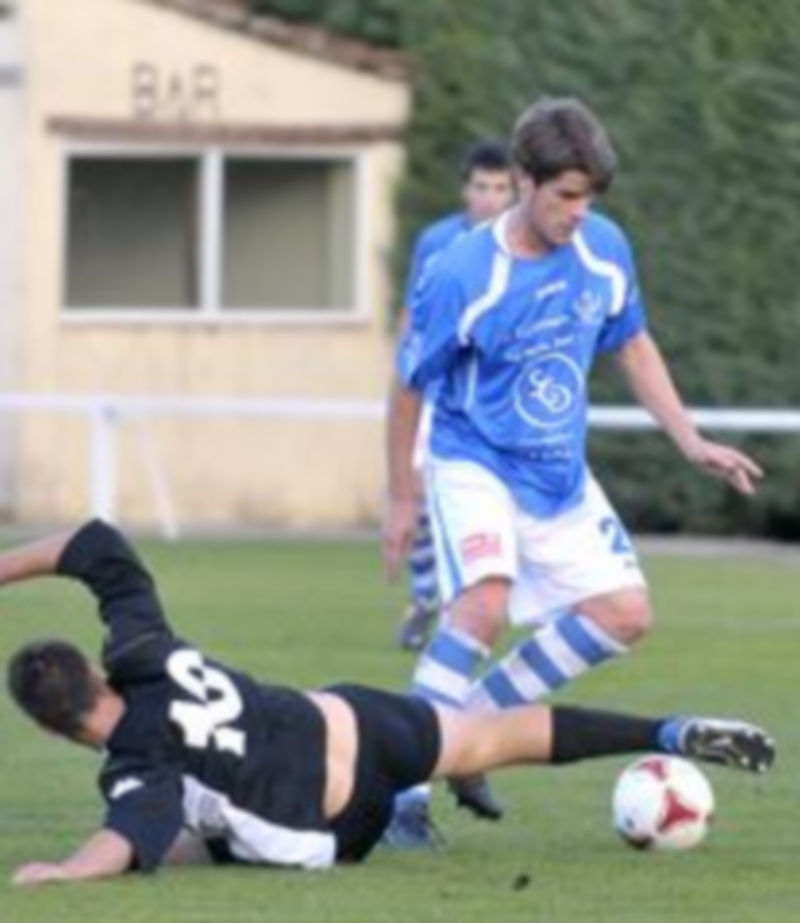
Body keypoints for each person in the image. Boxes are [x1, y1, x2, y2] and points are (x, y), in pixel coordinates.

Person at [383, 96, 764, 841]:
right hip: (475, 459)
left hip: (557, 470)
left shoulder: (604, 248)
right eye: (565, 196)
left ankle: (474, 735)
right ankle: (403, 794)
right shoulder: (464, 271)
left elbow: (634, 343)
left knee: (626, 613)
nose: (578, 212)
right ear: (523, 181)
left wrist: (689, 437)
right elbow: (406, 385)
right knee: (484, 604)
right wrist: (402, 495)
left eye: (588, 197)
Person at [2, 519, 774, 886]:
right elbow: (96, 545)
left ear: (50, 724)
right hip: (354, 716)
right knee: (493, 735)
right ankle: (666, 729)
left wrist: (65, 872)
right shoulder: (142, 648)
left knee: (162, 841)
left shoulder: (138, 761)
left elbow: (122, 837)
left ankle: (376, 817)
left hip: (337, 820)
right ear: (95, 672)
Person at [396, 140, 515, 653]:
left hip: (493, 396)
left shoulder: (526, 244)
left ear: (516, 191)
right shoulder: (438, 241)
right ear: (465, 190)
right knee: (421, 492)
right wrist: (403, 373)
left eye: (500, 188)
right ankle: (431, 597)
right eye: (481, 186)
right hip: (439, 386)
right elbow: (414, 316)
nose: (489, 198)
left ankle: (464, 600)